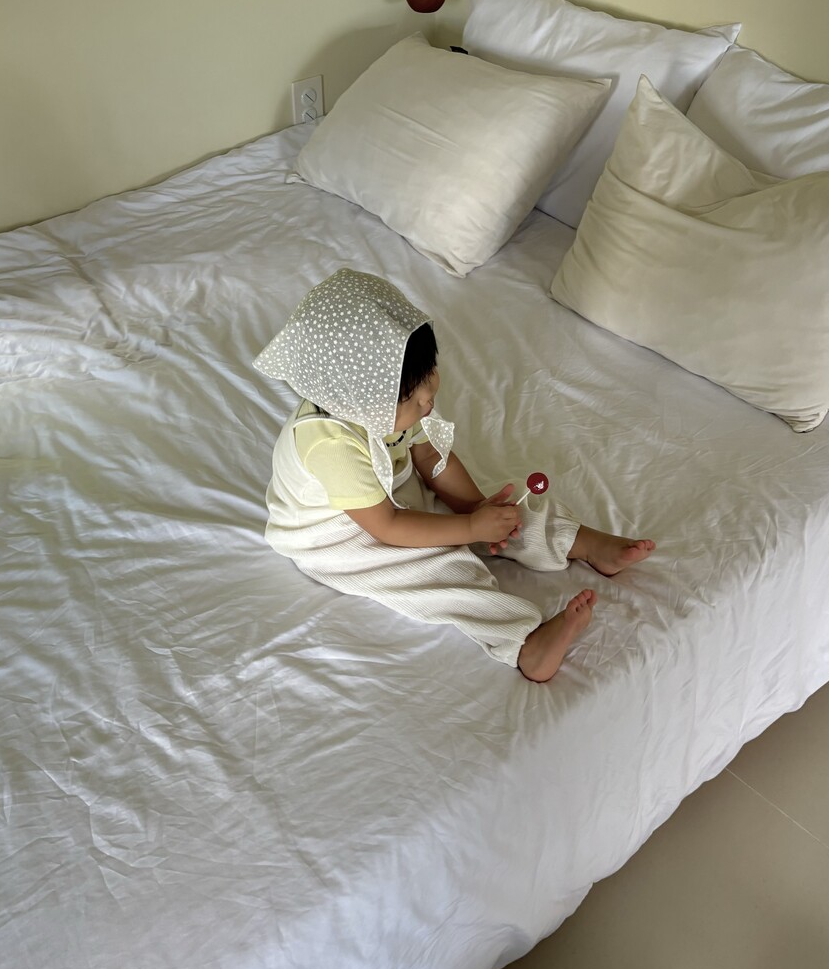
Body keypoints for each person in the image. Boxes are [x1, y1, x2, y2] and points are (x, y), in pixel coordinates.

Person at [254, 269, 654, 682]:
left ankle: (585, 544)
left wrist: (474, 508)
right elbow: (388, 527)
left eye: (430, 372)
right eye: (412, 394)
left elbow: (430, 455)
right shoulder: (330, 445)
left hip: (392, 494)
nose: (429, 397)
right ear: (359, 401)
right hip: (341, 535)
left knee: (507, 508)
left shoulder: (393, 402)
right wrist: (468, 528)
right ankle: (524, 643)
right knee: (439, 569)